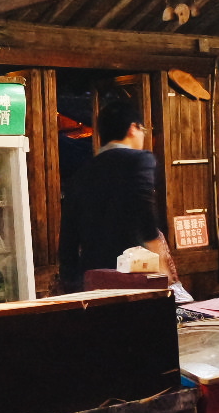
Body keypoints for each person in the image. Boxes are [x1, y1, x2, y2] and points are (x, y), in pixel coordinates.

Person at [58, 98, 177, 291]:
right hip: (134, 273)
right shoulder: (139, 160)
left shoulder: (81, 173)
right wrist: (161, 262)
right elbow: (144, 210)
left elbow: (68, 237)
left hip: (93, 280)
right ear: (133, 128)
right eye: (143, 130)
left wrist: (71, 283)